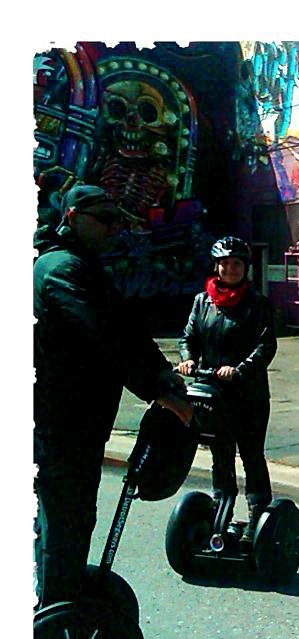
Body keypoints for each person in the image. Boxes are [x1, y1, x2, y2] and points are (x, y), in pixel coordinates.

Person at [34, 183, 192, 607]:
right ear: (72, 218)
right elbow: (103, 338)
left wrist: (166, 375)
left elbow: (127, 329)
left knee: (68, 521)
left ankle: (55, 613)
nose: (114, 228)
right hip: (58, 424)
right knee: (63, 525)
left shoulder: (83, 267)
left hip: (75, 423)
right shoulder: (60, 270)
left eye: (118, 219)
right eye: (104, 219)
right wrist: (158, 391)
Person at [177, 236, 278, 544]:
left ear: (245, 267)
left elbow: (266, 346)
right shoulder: (201, 301)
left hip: (248, 396)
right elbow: (187, 337)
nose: (230, 268)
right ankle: (221, 514)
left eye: (236, 263)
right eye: (225, 263)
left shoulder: (257, 303)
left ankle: (258, 520)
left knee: (251, 455)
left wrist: (239, 370)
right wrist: (188, 359)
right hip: (213, 395)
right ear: (216, 267)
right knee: (221, 456)